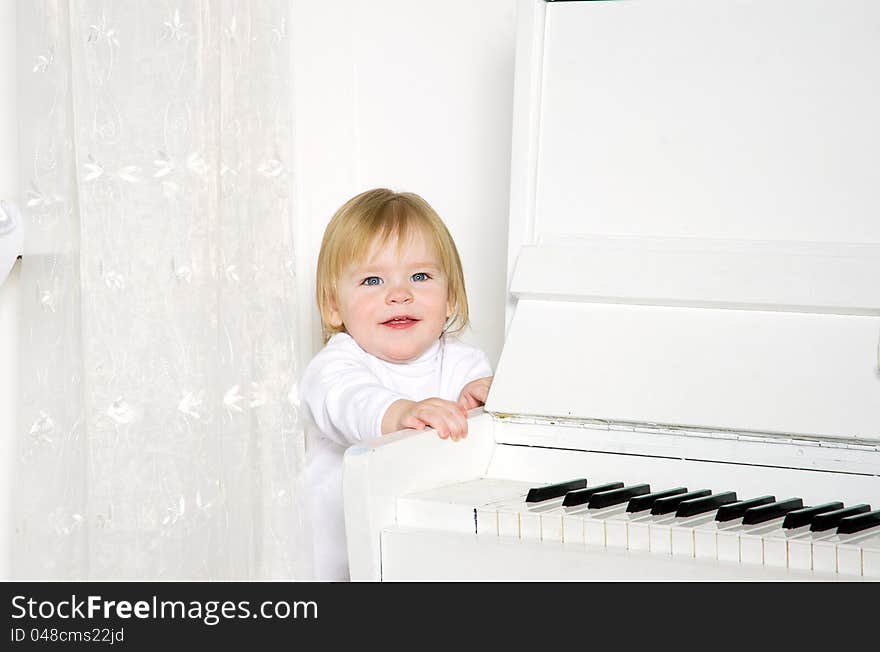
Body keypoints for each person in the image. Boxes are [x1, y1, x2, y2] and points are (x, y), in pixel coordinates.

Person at [299, 188, 493, 581]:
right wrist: (401, 412)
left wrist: (490, 406)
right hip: (337, 568)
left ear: (451, 296)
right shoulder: (336, 365)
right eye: (372, 280)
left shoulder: (465, 366)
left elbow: (482, 452)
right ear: (333, 306)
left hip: (423, 550)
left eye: (420, 276)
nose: (400, 294)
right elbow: (349, 401)